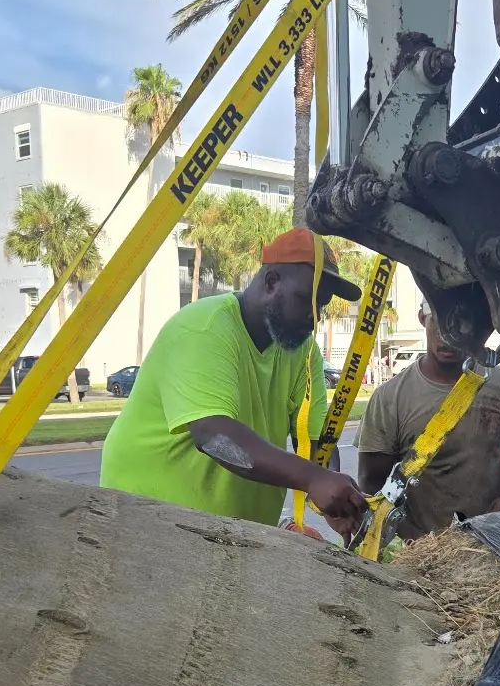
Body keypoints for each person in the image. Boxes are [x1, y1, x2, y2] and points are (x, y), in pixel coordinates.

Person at [100, 227, 368, 534]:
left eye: (320, 305)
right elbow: (215, 437)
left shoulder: (302, 350)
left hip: (228, 536)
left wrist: (333, 497)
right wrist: (312, 479)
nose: (314, 316)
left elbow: (316, 440)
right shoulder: (204, 328)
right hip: (146, 522)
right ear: (271, 282)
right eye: (306, 299)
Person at [356, 304, 500, 539]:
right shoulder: (389, 398)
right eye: (441, 321)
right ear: (423, 318)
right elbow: (371, 482)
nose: (450, 335)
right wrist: (415, 539)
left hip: (497, 544)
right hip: (423, 554)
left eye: (464, 324)